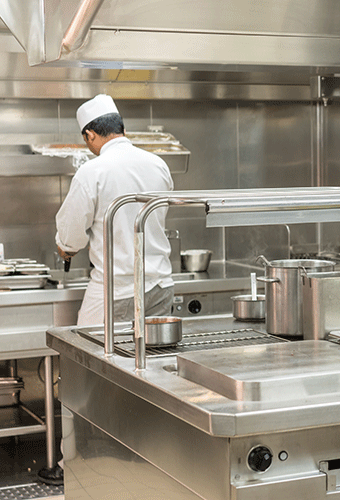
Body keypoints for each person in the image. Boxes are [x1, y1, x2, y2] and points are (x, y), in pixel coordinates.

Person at [38, 95, 175, 485]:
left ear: (91, 134)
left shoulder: (92, 172)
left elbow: (70, 233)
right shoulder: (157, 163)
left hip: (115, 291)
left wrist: (65, 247)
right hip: (160, 286)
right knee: (153, 374)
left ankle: (82, 463)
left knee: (89, 372)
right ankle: (153, 458)